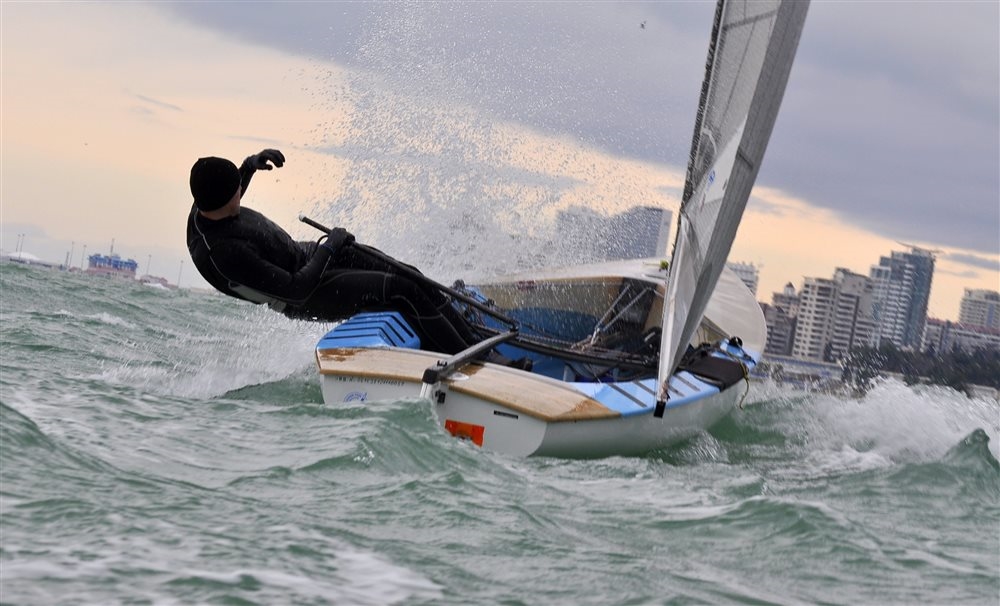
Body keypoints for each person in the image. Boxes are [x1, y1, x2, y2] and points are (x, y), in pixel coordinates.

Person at [185, 149, 484, 355]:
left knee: (407, 272)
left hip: (308, 257)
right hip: (307, 294)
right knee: (401, 289)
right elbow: (296, 291)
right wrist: (330, 246)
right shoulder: (223, 253)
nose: (241, 190)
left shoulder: (204, 206)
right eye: (237, 188)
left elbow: (225, 188)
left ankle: (472, 337)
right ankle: (469, 358)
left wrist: (249, 166)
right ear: (223, 199)